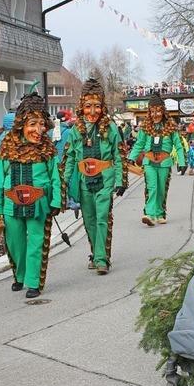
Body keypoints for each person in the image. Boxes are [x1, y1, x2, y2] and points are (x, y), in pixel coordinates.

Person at [0, 92, 62, 298]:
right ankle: (20, 275)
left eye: (41, 124)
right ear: (22, 124)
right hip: (10, 204)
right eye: (32, 124)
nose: (37, 130)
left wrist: (56, 200)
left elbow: (55, 177)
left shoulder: (47, 149)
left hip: (39, 203)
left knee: (36, 242)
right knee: (15, 243)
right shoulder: (7, 147)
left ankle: (33, 282)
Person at [63, 78, 126, 275]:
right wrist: (63, 182)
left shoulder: (111, 128)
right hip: (83, 181)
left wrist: (120, 179)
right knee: (89, 220)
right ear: (82, 106)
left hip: (105, 178)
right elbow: (70, 158)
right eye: (88, 106)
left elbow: (119, 154)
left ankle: (101, 259)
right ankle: (96, 252)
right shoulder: (75, 130)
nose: (92, 111)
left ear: (103, 106)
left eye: (97, 106)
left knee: (102, 217)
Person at [129, 93, 185, 226]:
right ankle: (149, 214)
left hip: (165, 162)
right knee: (152, 187)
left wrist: (182, 162)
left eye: (158, 110)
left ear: (163, 110)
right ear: (149, 111)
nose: (156, 114)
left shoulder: (170, 125)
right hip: (149, 162)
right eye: (153, 111)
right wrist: (131, 158)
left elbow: (178, 145)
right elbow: (139, 144)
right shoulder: (145, 126)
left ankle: (160, 213)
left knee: (161, 189)